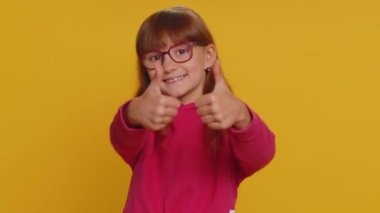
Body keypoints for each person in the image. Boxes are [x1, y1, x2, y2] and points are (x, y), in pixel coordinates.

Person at [110, 6, 275, 213]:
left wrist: (241, 114)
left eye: (181, 51)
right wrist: (133, 111)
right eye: (155, 57)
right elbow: (120, 138)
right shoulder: (146, 118)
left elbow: (262, 154)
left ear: (208, 56)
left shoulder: (226, 116)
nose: (168, 65)